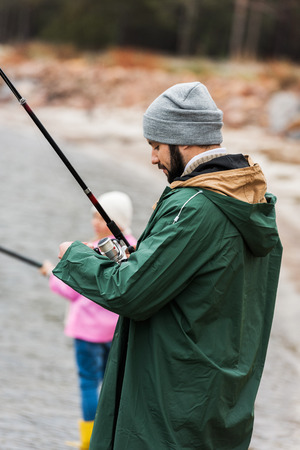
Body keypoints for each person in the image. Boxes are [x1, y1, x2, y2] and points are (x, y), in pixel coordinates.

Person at [53, 82, 282, 450]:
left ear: (185, 141)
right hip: (219, 397)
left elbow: (130, 292)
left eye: (156, 146)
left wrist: (75, 256)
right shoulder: (251, 201)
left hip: (170, 402)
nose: (153, 159)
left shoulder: (195, 206)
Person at [40, 191, 136, 450]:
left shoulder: (91, 249)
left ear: (114, 220)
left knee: (88, 384)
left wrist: (51, 273)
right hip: (116, 331)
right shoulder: (133, 246)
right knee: (111, 386)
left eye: (100, 216)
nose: (94, 221)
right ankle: (109, 439)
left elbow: (70, 290)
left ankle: (87, 442)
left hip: (87, 333)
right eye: (93, 215)